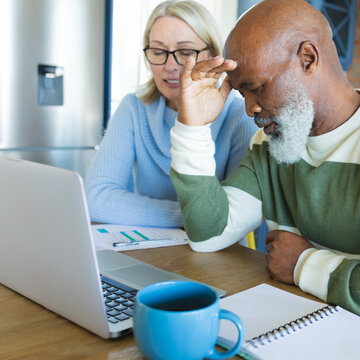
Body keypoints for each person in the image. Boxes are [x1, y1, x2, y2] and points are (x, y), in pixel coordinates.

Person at [169, 0, 360, 343]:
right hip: (296, 332)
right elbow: (208, 235)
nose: (250, 109)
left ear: (308, 58)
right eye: (242, 91)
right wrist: (192, 127)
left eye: (257, 87)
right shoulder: (269, 144)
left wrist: (304, 265)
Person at [85, 0, 258, 228]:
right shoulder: (133, 108)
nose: (169, 66)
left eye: (185, 52)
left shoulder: (239, 115)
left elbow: (236, 215)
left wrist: (208, 219)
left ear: (213, 54)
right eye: (158, 52)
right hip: (152, 251)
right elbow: (96, 199)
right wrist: (193, 217)